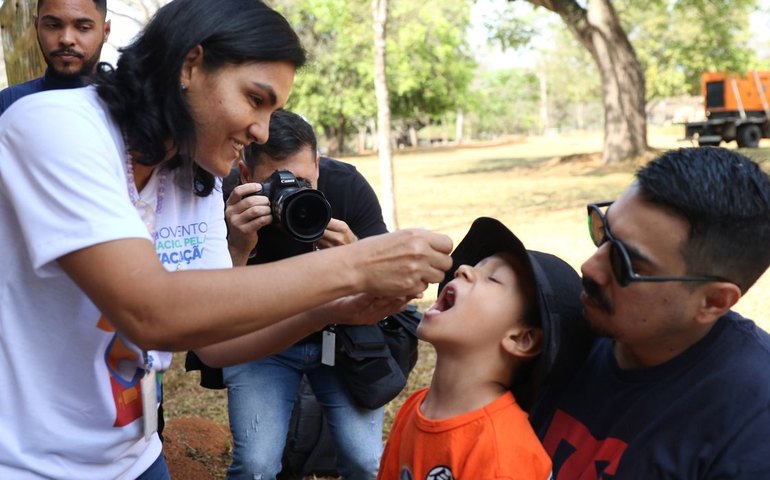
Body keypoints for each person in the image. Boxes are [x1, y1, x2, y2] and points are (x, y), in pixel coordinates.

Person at [0, 1, 452, 479]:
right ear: (190, 66)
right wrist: (355, 265)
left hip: (133, 457)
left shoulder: (192, 174)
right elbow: (151, 311)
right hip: (28, 462)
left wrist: (334, 309)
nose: (260, 131)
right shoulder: (55, 125)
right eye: (256, 99)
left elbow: (215, 343)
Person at [529, 146, 770, 479]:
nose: (590, 267)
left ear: (713, 301)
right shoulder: (560, 328)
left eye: (626, 264)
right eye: (603, 232)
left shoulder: (751, 426)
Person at [200, 109, 391, 479]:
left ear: (318, 165)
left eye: (304, 180)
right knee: (255, 466)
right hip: (258, 344)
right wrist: (237, 246)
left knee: (366, 461)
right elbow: (206, 310)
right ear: (244, 174)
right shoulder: (222, 199)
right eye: (277, 182)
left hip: (342, 341)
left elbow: (387, 288)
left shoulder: (346, 185)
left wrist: (356, 255)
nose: (293, 193)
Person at [378, 217, 586, 480]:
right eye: (475, 265)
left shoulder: (503, 453)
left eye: (493, 279)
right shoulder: (414, 407)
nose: (463, 269)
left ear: (521, 339)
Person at [0, 0, 110, 115]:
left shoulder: (124, 102)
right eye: (53, 26)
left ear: (106, 31)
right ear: (36, 26)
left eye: (83, 27)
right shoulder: (9, 104)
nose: (67, 39)